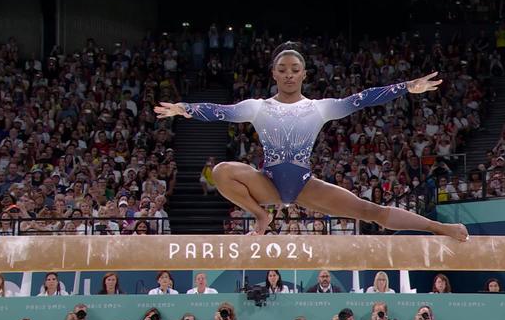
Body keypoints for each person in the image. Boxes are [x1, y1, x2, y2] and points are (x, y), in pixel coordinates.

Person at [154, 42, 468, 241]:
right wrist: (185, 109)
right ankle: (263, 215)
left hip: (305, 185)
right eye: (282, 70)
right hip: (269, 182)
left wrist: (407, 87)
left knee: (373, 212)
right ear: (273, 74)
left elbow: (362, 99)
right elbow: (221, 112)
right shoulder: (258, 107)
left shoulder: (319, 108)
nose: (289, 74)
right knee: (221, 171)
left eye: (295, 69)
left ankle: (439, 228)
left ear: (304, 74)